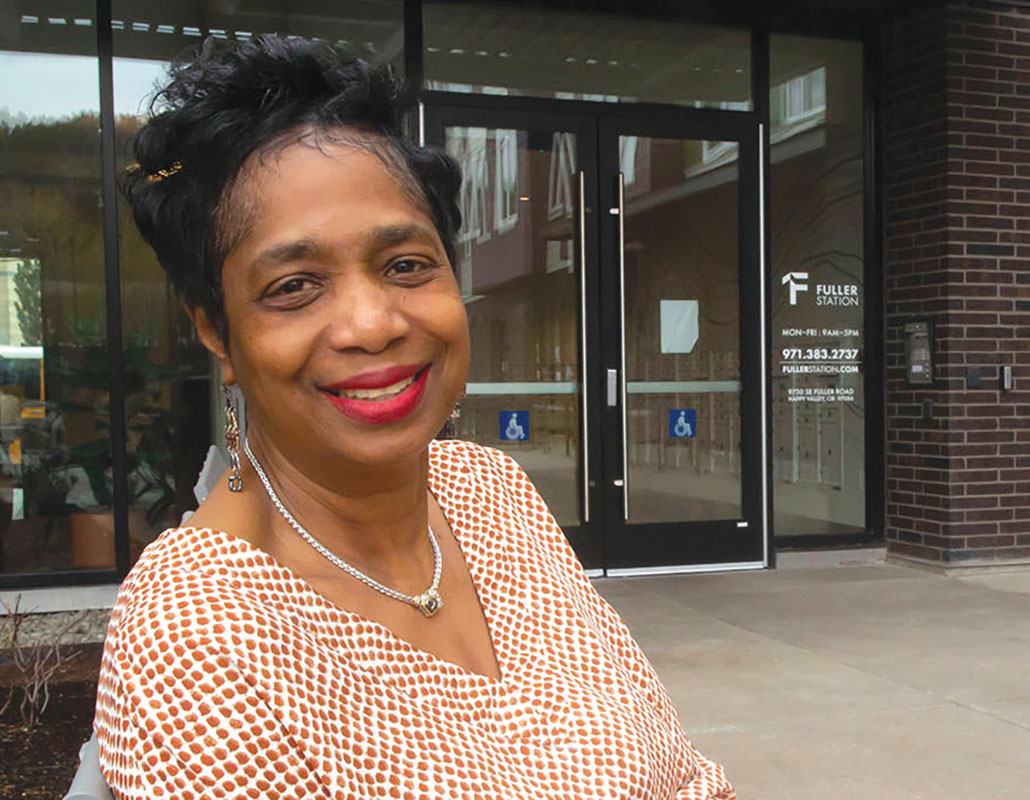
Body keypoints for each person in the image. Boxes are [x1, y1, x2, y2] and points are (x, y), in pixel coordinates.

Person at [93, 35, 734, 800]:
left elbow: (682, 768)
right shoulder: (199, 637)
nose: (372, 323)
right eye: (295, 286)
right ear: (216, 330)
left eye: (405, 265)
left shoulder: (489, 494)